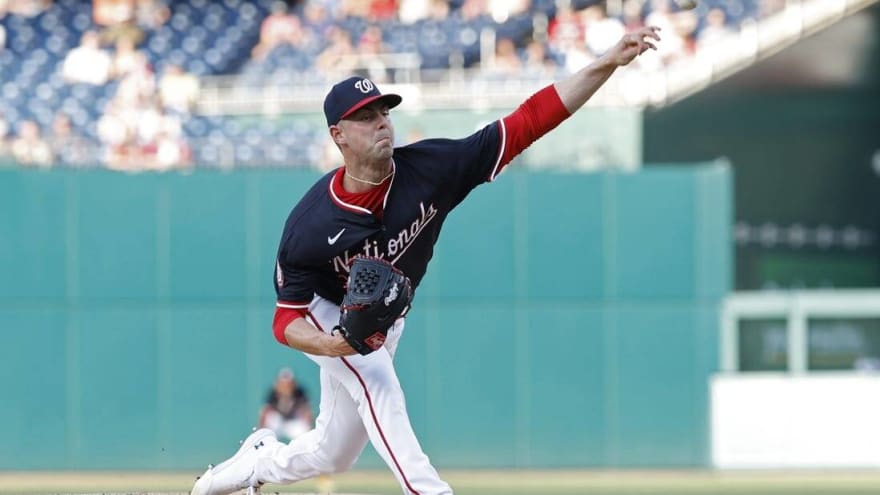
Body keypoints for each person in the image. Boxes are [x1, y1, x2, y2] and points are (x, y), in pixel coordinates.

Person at [191, 25, 661, 495]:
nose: (380, 122)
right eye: (364, 117)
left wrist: (605, 62)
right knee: (379, 383)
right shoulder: (310, 226)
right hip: (328, 313)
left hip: (384, 318)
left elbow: (527, 121)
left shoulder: (432, 169)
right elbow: (285, 319)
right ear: (339, 136)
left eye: (382, 111)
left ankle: (253, 466)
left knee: (335, 452)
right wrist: (334, 344)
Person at [257, 368, 314, 443]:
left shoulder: (299, 392)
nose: (286, 386)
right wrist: (260, 432)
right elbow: (265, 412)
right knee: (269, 426)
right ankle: (266, 449)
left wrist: (308, 424)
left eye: (289, 383)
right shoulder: (273, 393)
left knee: (304, 432)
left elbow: (307, 411)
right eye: (283, 383)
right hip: (278, 421)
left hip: (293, 421)